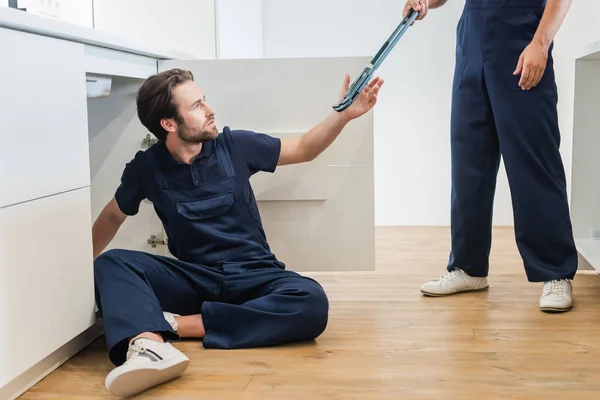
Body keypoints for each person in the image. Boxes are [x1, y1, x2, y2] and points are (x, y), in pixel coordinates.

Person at [91, 67, 383, 396]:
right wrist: (77, 273)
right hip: (194, 280)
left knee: (311, 301)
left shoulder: (235, 145)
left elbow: (304, 148)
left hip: (254, 276)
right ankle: (151, 348)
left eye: (205, 100)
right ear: (169, 124)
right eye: (197, 106)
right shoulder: (146, 168)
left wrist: (342, 116)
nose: (210, 110)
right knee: (111, 263)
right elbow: (113, 215)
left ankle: (175, 325)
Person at [404, 0, 577, 312]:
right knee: (469, 160)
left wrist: (540, 44)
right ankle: (468, 268)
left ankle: (556, 272)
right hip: (472, 36)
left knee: (533, 162)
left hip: (522, 35)